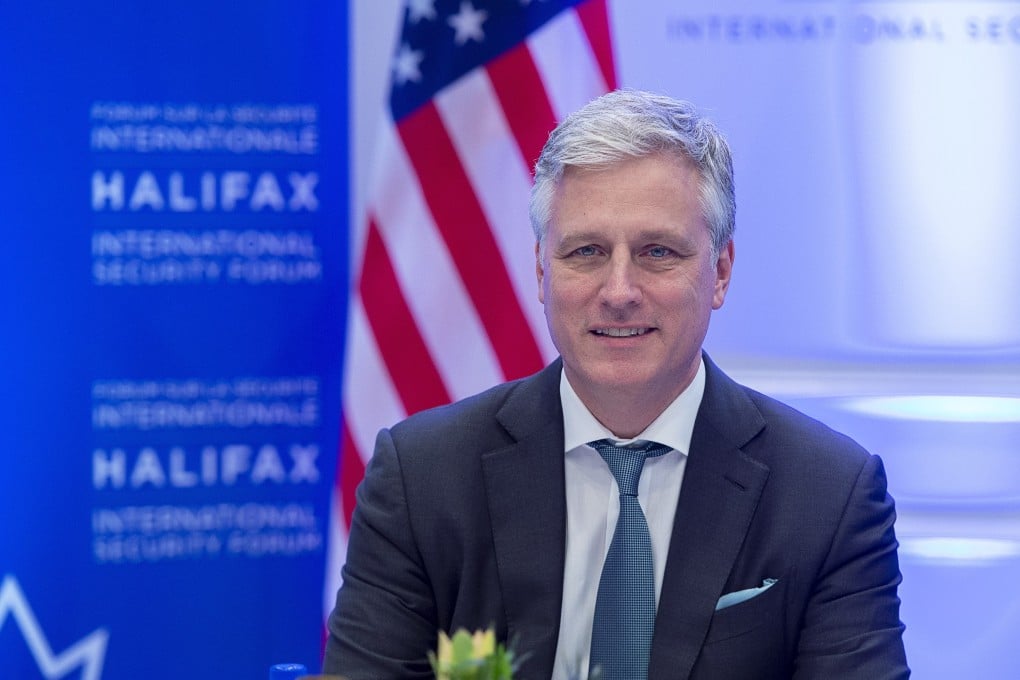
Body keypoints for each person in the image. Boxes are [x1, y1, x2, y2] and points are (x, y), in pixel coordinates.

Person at [323, 90, 909, 679]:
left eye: (658, 252)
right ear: (541, 272)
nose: (620, 291)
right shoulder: (422, 477)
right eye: (586, 252)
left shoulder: (828, 495)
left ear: (720, 273)